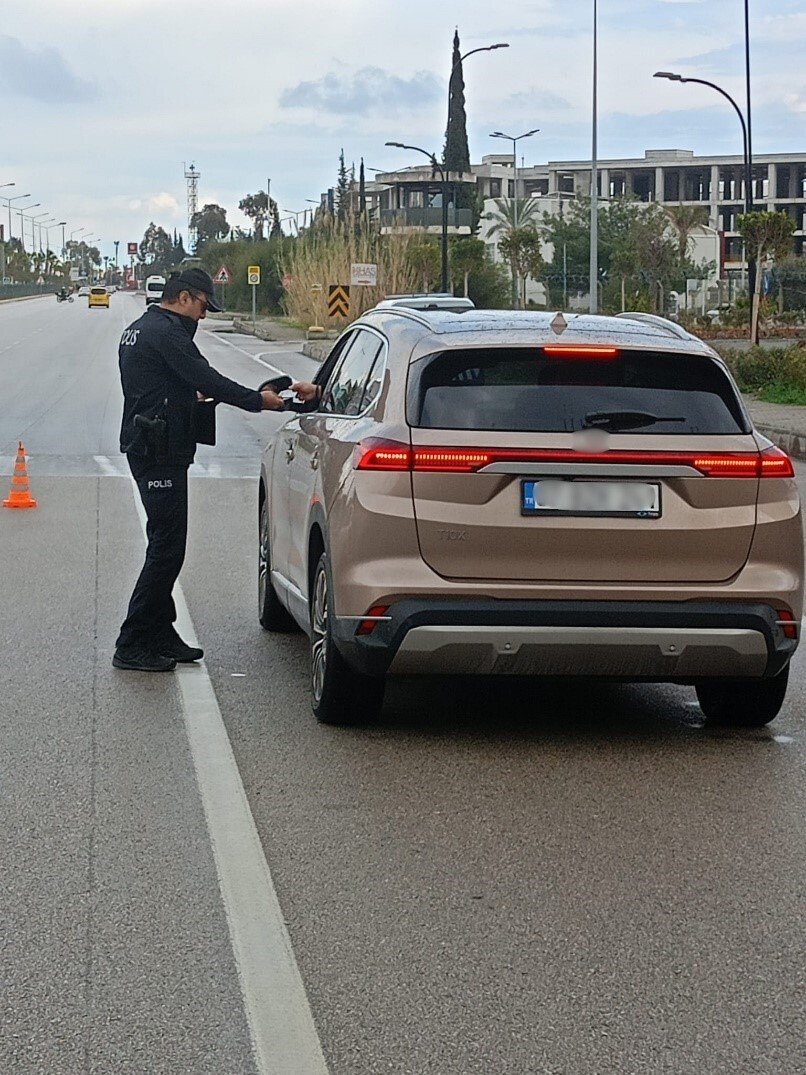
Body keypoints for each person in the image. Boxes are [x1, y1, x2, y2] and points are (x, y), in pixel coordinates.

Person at [114, 267, 316, 672]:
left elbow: (194, 383)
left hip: (153, 444)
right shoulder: (167, 334)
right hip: (157, 450)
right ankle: (133, 641)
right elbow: (206, 377)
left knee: (166, 545)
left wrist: (252, 392)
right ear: (185, 297)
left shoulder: (145, 328)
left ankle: (161, 631)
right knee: (167, 548)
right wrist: (259, 402)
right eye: (203, 306)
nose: (204, 316)